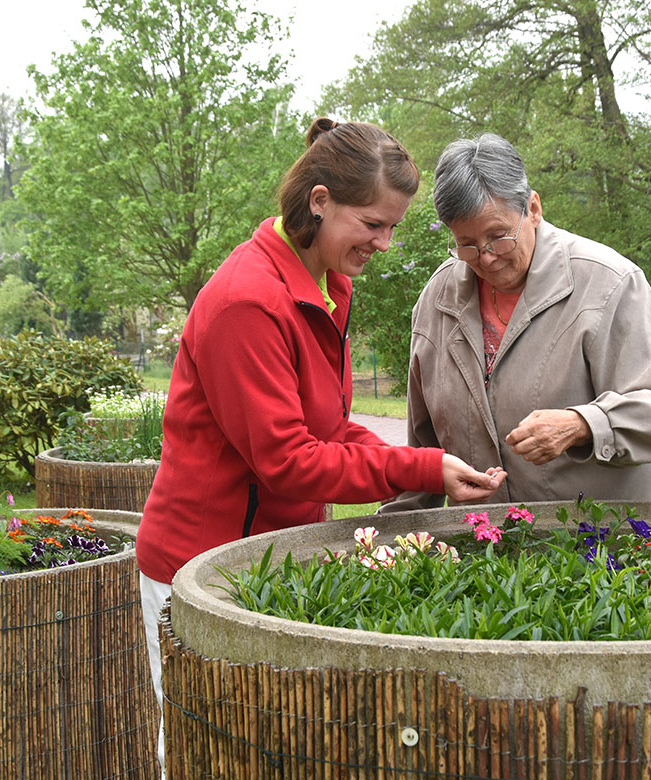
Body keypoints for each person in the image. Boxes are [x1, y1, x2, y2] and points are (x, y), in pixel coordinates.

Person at [136, 118, 505, 767]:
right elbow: (287, 461)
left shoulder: (328, 286)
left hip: (267, 555)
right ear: (319, 201)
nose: (385, 243)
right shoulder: (247, 303)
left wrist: (430, 467)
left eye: (393, 226)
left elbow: (329, 431)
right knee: (206, 744)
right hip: (200, 565)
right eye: (373, 223)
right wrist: (416, 465)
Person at [383, 132, 651, 513]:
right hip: (500, 553)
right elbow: (425, 448)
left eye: (498, 237)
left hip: (618, 545)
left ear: (533, 208)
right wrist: (398, 538)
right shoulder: (436, 302)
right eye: (466, 244)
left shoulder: (608, 283)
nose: (486, 258)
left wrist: (583, 424)